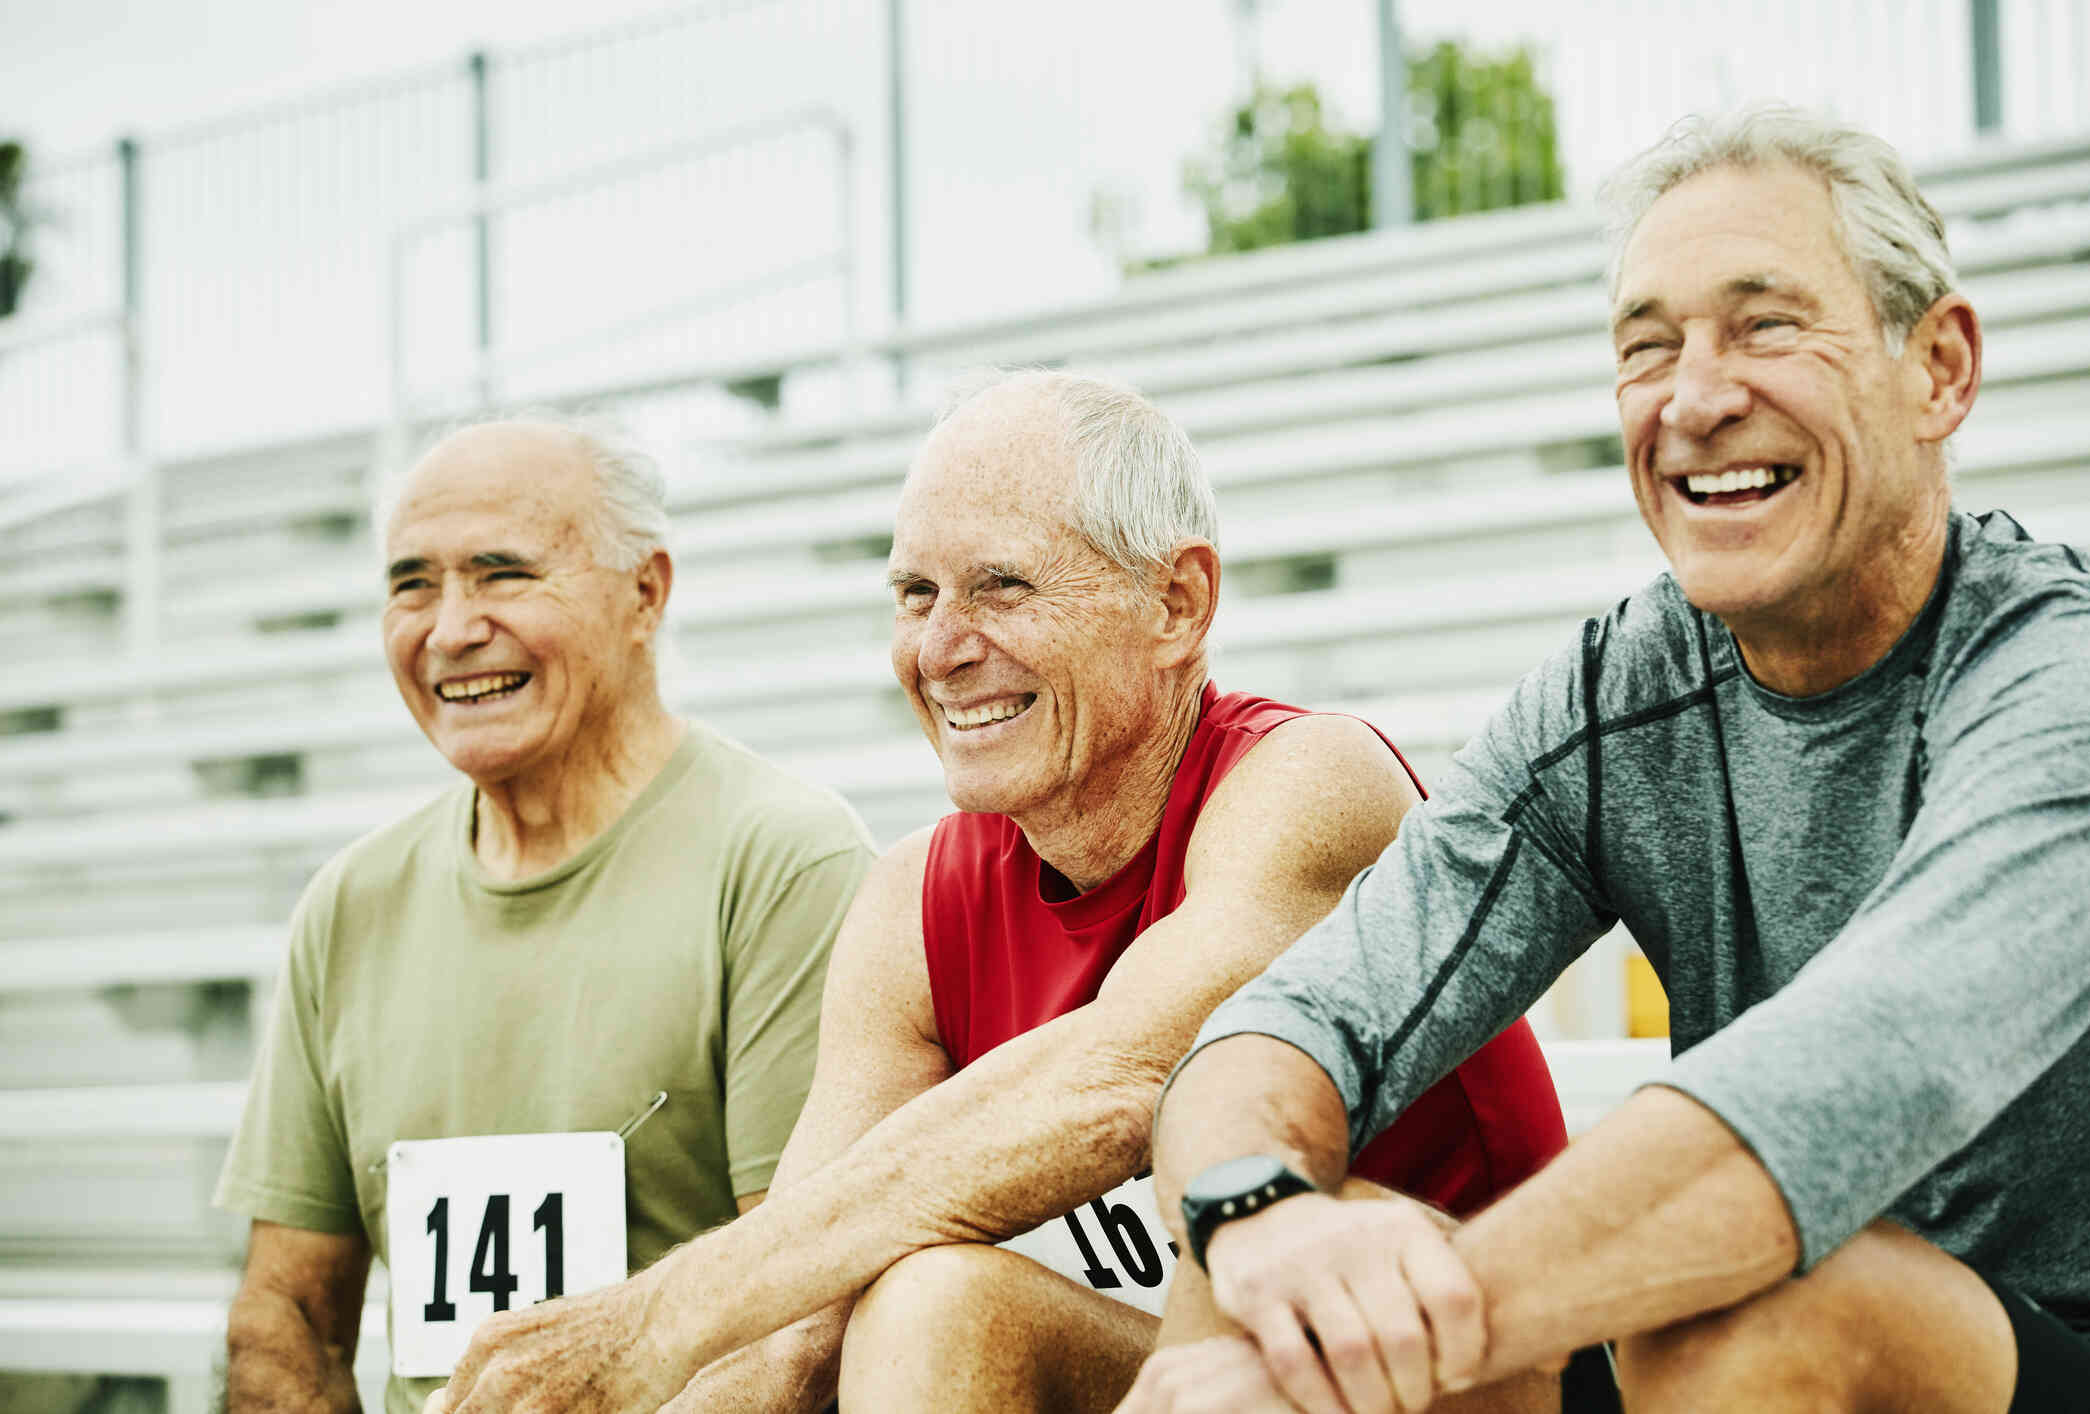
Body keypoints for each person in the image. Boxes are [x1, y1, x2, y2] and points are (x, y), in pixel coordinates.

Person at [1122, 105, 2090, 1414]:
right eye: (1648, 347)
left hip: (2055, 1351)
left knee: (1746, 1309)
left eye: (1765, 325)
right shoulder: (1615, 694)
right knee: (1280, 1251)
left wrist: (1389, 1342)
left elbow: (1826, 1099)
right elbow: (1290, 1020)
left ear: (1936, 368)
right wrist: (1255, 1209)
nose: (1696, 398)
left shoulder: (2073, 684)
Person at [424, 370, 1571, 1414]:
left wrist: (654, 1318)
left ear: (1177, 603)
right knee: (897, 1300)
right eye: (913, 593)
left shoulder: (1313, 783)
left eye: (1001, 587)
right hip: (1191, 1374)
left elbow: (1118, 1083)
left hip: (1469, 1364)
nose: (941, 646)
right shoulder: (911, 901)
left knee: (940, 1301)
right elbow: (791, 1326)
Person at [214, 417, 876, 1414]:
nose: (449, 629)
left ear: (645, 592)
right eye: (411, 585)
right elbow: (288, 1313)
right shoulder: (349, 905)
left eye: (502, 573)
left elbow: (804, 1320)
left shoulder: (785, 860)